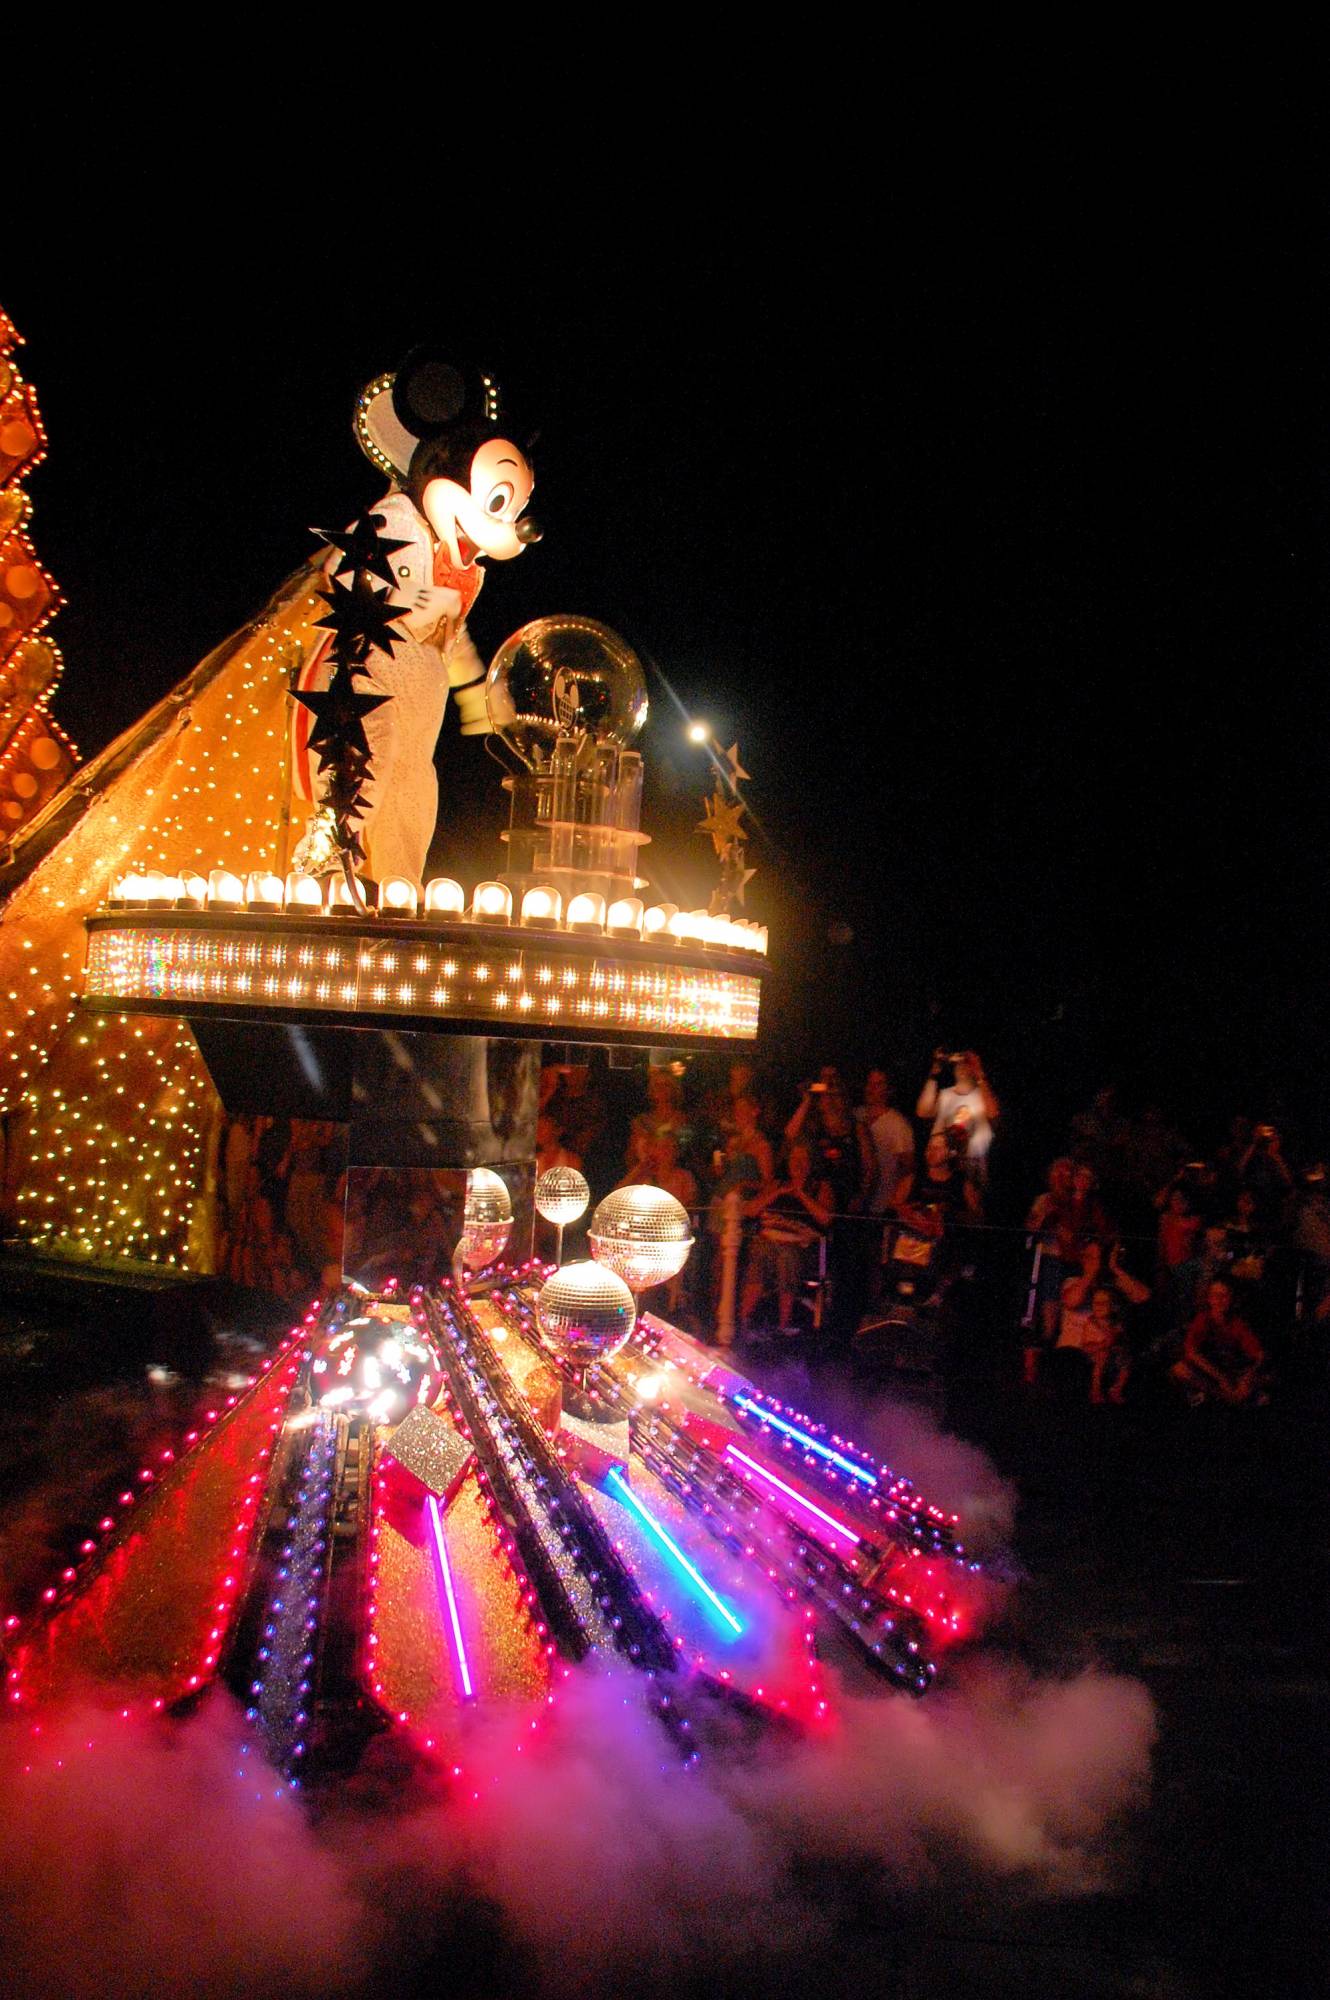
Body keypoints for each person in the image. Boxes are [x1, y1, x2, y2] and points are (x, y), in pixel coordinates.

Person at [739, 1143, 833, 1336]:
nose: (798, 1164)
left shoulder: (819, 1186)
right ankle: (744, 1321)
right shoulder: (777, 1184)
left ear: (810, 1163)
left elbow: (826, 1218)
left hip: (799, 1245)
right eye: (794, 1159)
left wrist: (801, 1194)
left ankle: (783, 1324)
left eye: (803, 1159)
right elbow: (750, 1210)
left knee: (786, 1256)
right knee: (760, 1252)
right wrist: (777, 1193)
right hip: (769, 1240)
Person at [1057, 1240, 1150, 1404]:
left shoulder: (1110, 1289)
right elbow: (1072, 1301)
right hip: (1075, 1356)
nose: (1096, 1262)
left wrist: (1115, 1268)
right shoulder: (1073, 1282)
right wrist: (1090, 1273)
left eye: (1099, 1258)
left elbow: (1143, 1296)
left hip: (1107, 1359)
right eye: (1091, 1257)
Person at [1171, 1278, 1266, 1405]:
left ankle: (1223, 1397)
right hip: (1209, 1371)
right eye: (1215, 1295)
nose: (1219, 1300)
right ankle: (1229, 1397)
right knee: (1180, 1370)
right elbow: (1191, 1352)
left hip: (1229, 1368)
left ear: (1232, 1298)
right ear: (1209, 1298)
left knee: (1263, 1378)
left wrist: (1250, 1373)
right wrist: (1221, 1378)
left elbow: (1259, 1354)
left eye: (1224, 1295)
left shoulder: (1237, 1323)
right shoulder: (1203, 1319)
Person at [916, 1048, 999, 1183]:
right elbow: (923, 1112)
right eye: (960, 1063)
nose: (963, 1067)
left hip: (973, 1163)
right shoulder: (945, 1095)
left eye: (966, 1063)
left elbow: (993, 1113)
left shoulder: (982, 1095)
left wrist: (979, 1074)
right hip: (944, 1166)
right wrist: (934, 1074)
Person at [856, 1069, 915, 1215]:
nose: (871, 1089)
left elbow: (909, 1170)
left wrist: (894, 1203)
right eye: (869, 1083)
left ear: (888, 1089)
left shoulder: (898, 1125)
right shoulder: (855, 1116)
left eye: (878, 1084)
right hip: (854, 1205)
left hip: (881, 1208)